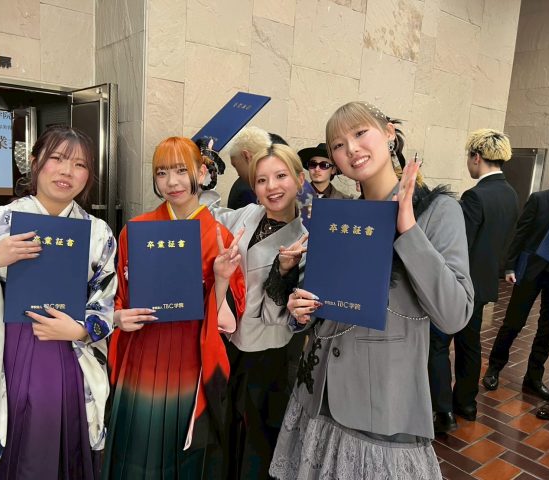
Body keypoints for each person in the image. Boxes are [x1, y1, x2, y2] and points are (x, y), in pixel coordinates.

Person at [269, 101, 474, 480]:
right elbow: (322, 299)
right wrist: (301, 310)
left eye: (360, 133)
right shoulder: (341, 214)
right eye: (338, 145)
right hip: (318, 391)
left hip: (381, 402)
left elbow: (454, 313)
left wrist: (407, 227)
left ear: (389, 133)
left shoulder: (437, 210)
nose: (351, 149)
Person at [0, 126, 117, 479]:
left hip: (68, 351)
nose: (67, 171)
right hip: (7, 349)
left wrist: (80, 329)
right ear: (34, 163)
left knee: (62, 434)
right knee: (9, 433)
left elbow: (105, 299)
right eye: (57, 158)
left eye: (79, 164)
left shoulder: (98, 232)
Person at [103, 137, 246, 479]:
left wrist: (221, 278)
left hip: (190, 354)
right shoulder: (135, 230)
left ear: (202, 173)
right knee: (137, 439)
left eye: (182, 170)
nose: (172, 182)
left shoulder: (220, 236)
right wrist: (119, 316)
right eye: (162, 173)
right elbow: (118, 295)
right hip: (142, 349)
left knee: (182, 449)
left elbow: (228, 319)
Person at [210, 143, 308, 479]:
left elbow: (277, 316)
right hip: (231, 341)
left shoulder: (304, 240)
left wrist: (282, 271)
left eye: (281, 176)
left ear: (299, 180)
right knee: (227, 425)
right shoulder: (249, 214)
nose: (272, 187)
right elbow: (209, 220)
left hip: (268, 352)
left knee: (258, 437)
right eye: (262, 180)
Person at [429, 129, 519, 433]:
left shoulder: (475, 196)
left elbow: (458, 246)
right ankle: (466, 404)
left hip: (460, 286)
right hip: (483, 285)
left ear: (476, 157)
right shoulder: (511, 194)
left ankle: (443, 411)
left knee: (438, 344)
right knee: (470, 344)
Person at [481, 188, 549, 401]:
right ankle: (494, 367)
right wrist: (510, 266)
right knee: (514, 322)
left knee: (548, 330)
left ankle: (533, 378)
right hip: (531, 270)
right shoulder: (540, 200)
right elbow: (520, 234)